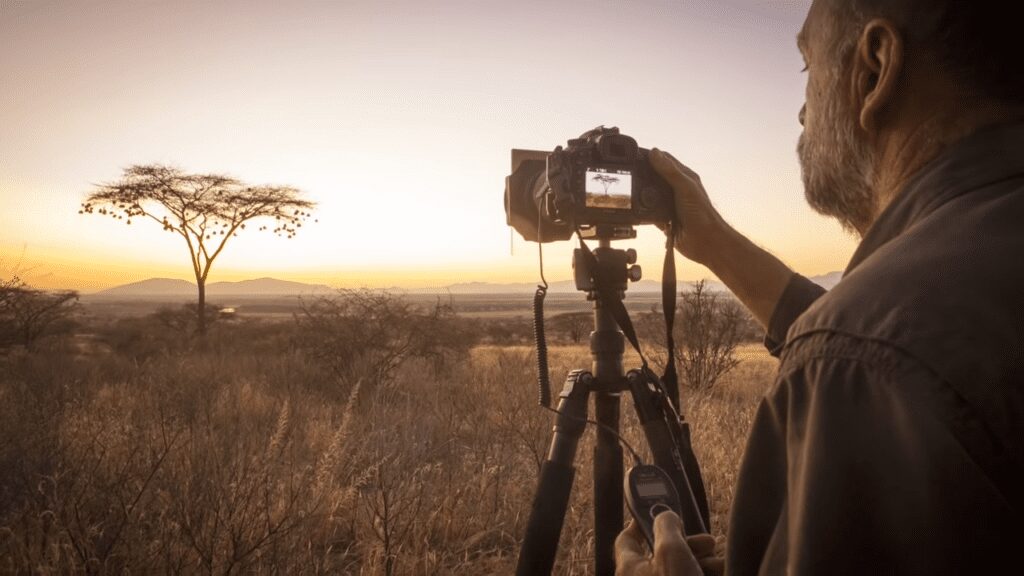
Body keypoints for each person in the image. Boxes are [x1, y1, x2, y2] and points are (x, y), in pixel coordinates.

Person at [616, 0, 1024, 574]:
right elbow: (901, 337)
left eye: (808, 68)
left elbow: (875, 349)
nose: (803, 112)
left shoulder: (862, 363)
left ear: (874, 69)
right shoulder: (967, 276)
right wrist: (713, 241)